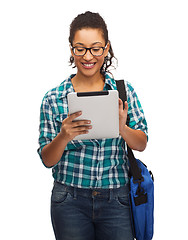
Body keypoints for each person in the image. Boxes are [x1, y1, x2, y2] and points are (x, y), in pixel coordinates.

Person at [38, 11, 148, 240]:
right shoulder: (53, 98)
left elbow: (141, 143)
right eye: (81, 48)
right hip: (69, 200)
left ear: (106, 49)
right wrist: (63, 137)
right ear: (72, 50)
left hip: (117, 200)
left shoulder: (123, 92)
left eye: (95, 48)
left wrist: (122, 128)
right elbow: (47, 160)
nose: (88, 56)